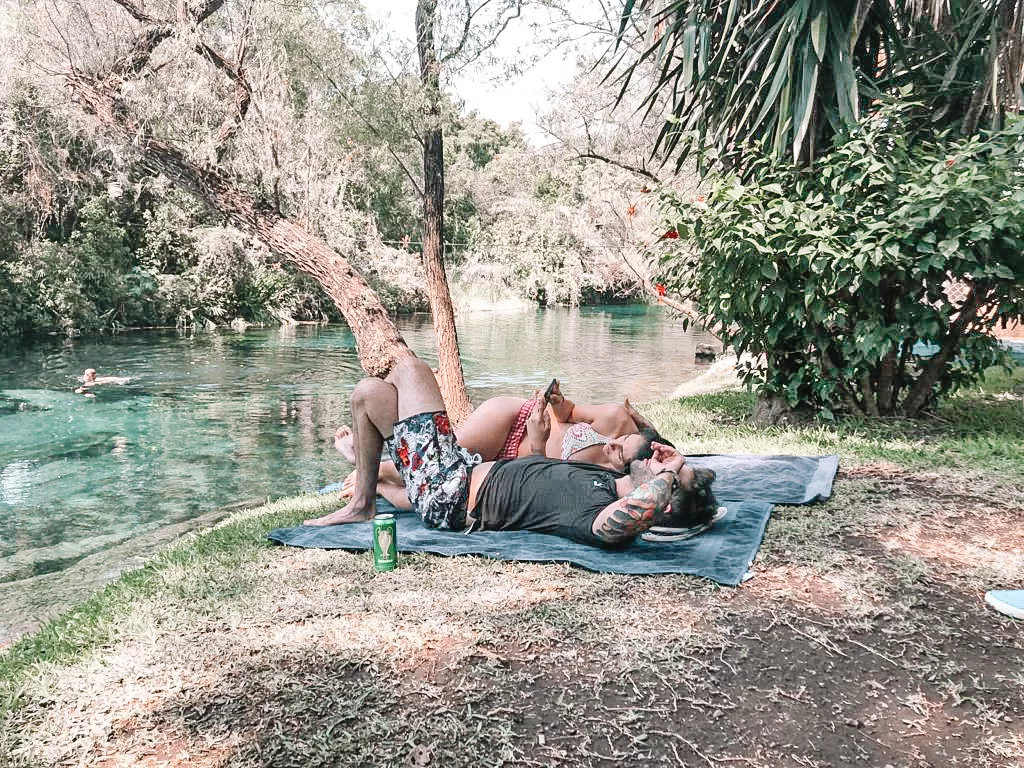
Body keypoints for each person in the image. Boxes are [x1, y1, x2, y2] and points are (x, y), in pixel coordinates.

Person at [304, 355, 718, 549]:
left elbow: (618, 527)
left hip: (451, 490)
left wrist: (667, 475)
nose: (662, 461)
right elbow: (534, 477)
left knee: (412, 371)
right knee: (369, 394)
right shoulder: (607, 476)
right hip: (464, 471)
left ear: (660, 504)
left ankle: (368, 490)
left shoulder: (599, 509)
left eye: (672, 474)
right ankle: (365, 496)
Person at [332, 381, 668, 503]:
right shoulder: (614, 418)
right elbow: (567, 413)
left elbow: (550, 484)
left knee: (444, 482)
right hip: (514, 423)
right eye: (627, 436)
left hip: (517, 465)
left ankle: (370, 471)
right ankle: (366, 463)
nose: (618, 441)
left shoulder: (615, 480)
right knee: (444, 457)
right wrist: (555, 400)